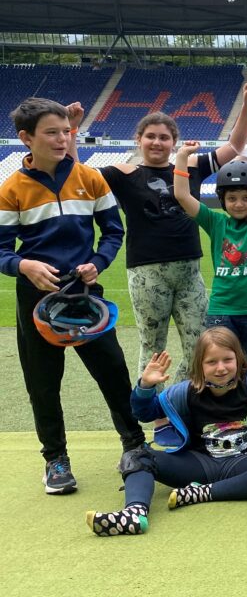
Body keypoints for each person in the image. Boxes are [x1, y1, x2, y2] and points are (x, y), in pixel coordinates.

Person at [79, 85, 247, 444]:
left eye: (164, 137)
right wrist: (72, 131)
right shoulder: (122, 173)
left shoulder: (188, 167)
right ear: (139, 138)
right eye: (151, 137)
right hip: (147, 272)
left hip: (190, 270)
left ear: (174, 141)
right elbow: (75, 173)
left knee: (200, 344)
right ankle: (158, 416)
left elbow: (233, 148)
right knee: (152, 345)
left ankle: (187, 404)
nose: (157, 143)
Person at [0, 97, 145, 495]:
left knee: (113, 372)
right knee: (43, 384)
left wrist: (98, 262)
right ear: (26, 138)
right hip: (36, 301)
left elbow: (114, 231)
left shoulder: (90, 178)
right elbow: (1, 249)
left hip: (85, 295)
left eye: (66, 131)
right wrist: (24, 266)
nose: (62, 139)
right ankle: (56, 460)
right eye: (52, 132)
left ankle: (134, 446)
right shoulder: (11, 188)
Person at [85, 328, 247, 536]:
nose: (221, 368)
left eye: (227, 360)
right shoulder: (184, 392)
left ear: (239, 359)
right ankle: (134, 513)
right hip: (198, 464)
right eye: (211, 362)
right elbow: (143, 413)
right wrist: (145, 386)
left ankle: (202, 493)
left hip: (243, 462)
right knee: (136, 456)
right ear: (199, 365)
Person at [172, 122, 247, 357]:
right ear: (222, 200)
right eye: (232, 198)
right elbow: (182, 195)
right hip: (222, 311)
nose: (239, 203)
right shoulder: (216, 223)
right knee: (222, 365)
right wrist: (182, 157)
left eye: (246, 197)